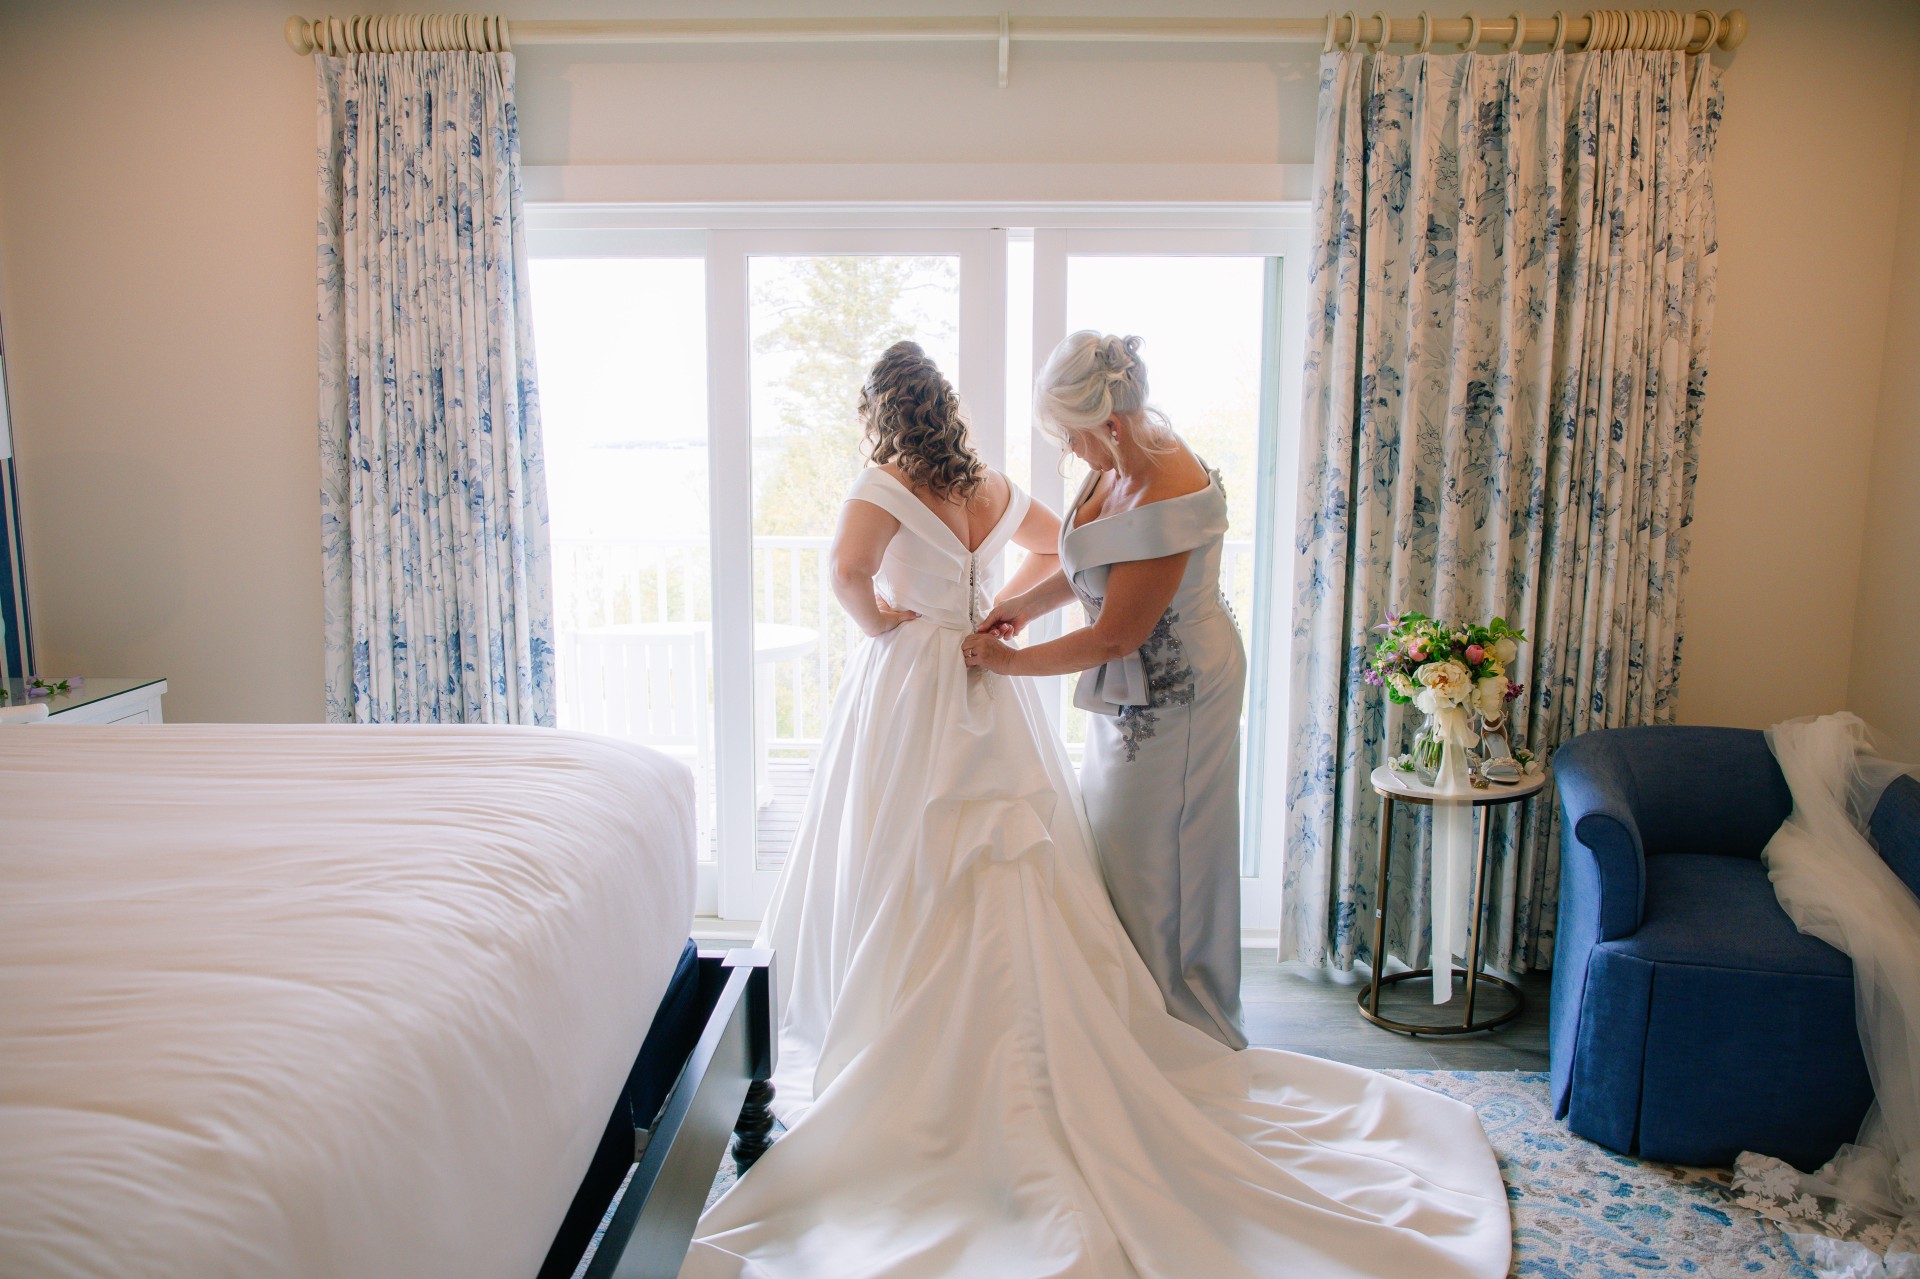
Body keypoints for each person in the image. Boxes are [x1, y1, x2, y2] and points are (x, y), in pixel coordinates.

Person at [682, 340, 1509, 1279]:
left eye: (1074, 436)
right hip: (1003, 683)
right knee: (1026, 845)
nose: (1071, 452)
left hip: (1023, 679)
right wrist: (1004, 613)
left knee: (927, 845)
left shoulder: (904, 483)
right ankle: (1098, 1018)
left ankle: (1117, 1024)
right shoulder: (996, 482)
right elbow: (1060, 553)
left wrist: (907, 631)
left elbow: (858, 576)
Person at [963, 331, 1247, 1049]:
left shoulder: (1168, 491)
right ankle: (1130, 1004)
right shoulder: (1116, 457)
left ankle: (1180, 1019)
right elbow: (1095, 562)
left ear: (1110, 424)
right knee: (1115, 841)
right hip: (1130, 684)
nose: (1070, 454)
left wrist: (1004, 663)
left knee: (1160, 851)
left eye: (1071, 437)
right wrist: (1024, 606)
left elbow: (1114, 635)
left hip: (1180, 693)